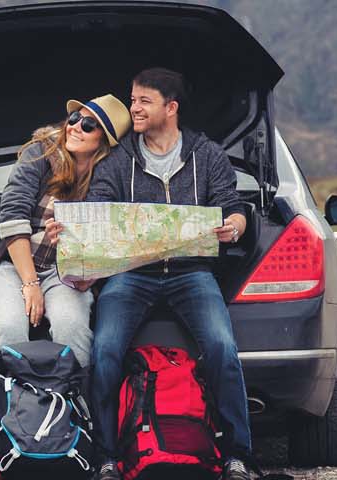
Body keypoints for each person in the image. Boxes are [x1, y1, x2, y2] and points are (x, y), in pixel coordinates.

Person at [83, 68, 255, 480]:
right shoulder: (119, 157)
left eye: (143, 101)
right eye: (132, 99)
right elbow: (98, 205)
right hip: (131, 274)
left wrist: (234, 226)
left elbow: (233, 206)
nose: (134, 108)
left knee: (221, 348)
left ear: (170, 108)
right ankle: (105, 457)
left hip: (191, 273)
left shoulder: (207, 155)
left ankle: (237, 456)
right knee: (104, 351)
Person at [0, 94, 132, 436]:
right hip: (12, 265)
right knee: (11, 327)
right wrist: (30, 285)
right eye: (74, 117)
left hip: (64, 271)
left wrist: (79, 252)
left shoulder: (109, 176)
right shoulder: (41, 152)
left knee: (71, 326)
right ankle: (0, 430)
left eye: (88, 125)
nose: (74, 126)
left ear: (103, 141)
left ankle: (79, 427)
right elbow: (12, 216)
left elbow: (111, 239)